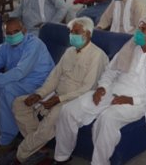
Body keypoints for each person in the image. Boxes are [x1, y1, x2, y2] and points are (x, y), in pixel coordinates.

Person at [52, 16, 146, 165]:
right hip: (111, 92)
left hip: (137, 102)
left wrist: (130, 100)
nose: (138, 32)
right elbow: (110, 71)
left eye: (143, 29)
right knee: (69, 110)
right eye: (139, 28)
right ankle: (62, 157)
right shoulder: (129, 48)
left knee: (107, 119)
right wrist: (102, 87)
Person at [11, 17, 109, 164]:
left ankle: (20, 155)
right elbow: (54, 77)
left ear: (88, 33)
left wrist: (58, 100)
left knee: (50, 121)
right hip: (56, 94)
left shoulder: (97, 55)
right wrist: (39, 94)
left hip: (74, 101)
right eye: (70, 32)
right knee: (19, 103)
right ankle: (37, 146)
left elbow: (88, 88)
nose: (72, 35)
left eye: (76, 32)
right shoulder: (69, 51)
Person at [0, 18, 54, 159]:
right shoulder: (5, 46)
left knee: (6, 88)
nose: (12, 35)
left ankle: (7, 141)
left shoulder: (34, 44)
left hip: (37, 83)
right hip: (15, 80)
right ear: (4, 34)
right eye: (9, 33)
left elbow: (20, 72)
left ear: (24, 30)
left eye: (16, 31)